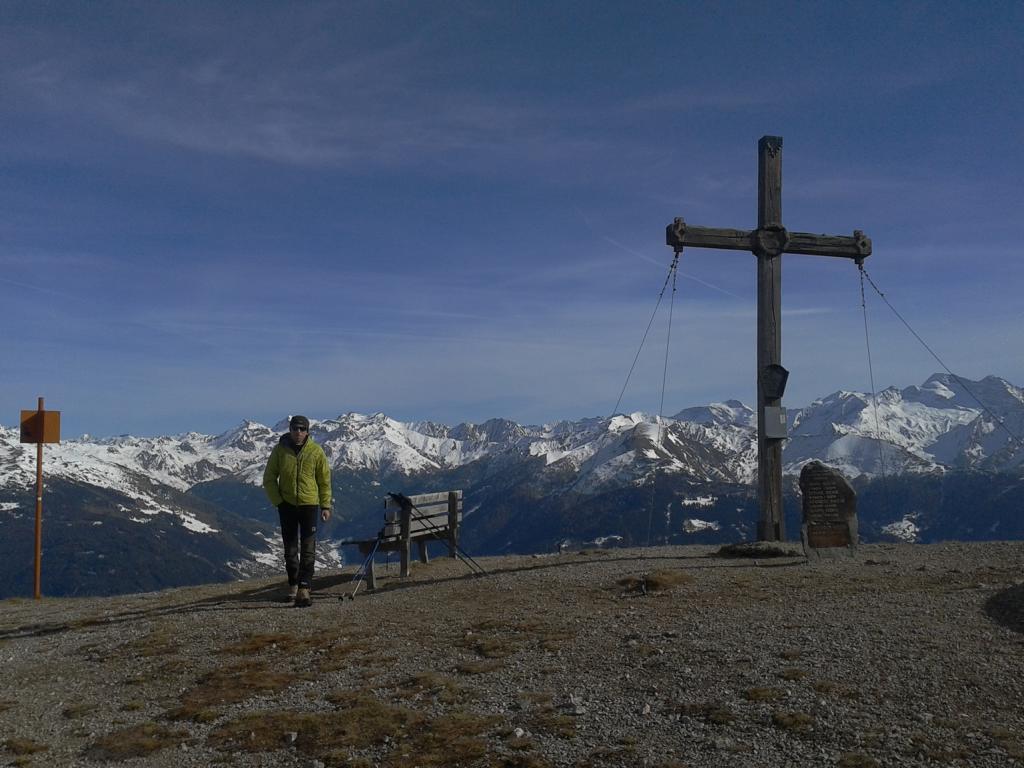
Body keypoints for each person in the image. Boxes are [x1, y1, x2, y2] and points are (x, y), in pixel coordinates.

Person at [262, 415, 332, 607]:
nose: (298, 432)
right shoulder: (279, 451)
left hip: (310, 505)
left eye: (302, 429)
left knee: (308, 549)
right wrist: (279, 502)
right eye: (295, 428)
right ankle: (293, 584)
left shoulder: (316, 452)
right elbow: (269, 478)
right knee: (290, 550)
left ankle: (304, 588)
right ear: (290, 430)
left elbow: (324, 481)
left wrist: (325, 506)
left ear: (308, 431)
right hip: (287, 506)